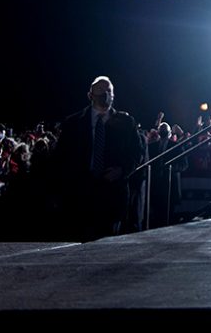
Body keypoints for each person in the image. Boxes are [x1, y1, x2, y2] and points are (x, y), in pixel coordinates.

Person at [53, 76, 145, 240]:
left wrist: (122, 170)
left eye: (109, 90)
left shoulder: (126, 122)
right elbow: (61, 157)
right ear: (90, 95)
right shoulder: (73, 123)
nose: (106, 94)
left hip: (112, 193)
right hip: (80, 194)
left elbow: (137, 153)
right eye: (101, 90)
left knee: (107, 244)